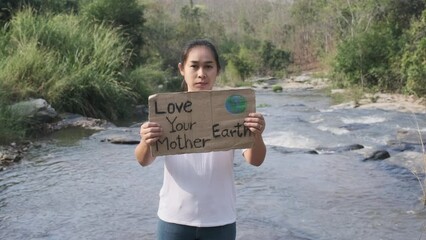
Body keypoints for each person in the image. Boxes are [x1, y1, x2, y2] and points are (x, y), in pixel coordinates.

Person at [135, 39, 266, 240]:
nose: (201, 74)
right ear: (182, 69)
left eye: (208, 67)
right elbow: (143, 160)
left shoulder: (234, 110)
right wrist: (146, 140)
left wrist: (256, 135)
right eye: (194, 66)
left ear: (218, 70)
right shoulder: (166, 110)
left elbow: (255, 160)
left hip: (220, 220)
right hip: (174, 220)